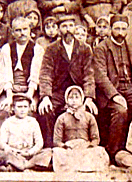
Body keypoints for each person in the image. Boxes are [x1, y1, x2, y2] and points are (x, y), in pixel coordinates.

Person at [38, 15, 97, 148]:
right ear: (59, 30)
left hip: (79, 90)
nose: (68, 30)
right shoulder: (52, 49)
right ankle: (50, 150)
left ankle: (87, 148)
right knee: (46, 110)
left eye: (71, 26)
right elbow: (46, 73)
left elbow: (89, 74)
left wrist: (88, 97)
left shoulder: (85, 48)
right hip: (59, 90)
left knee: (91, 109)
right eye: (64, 27)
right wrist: (46, 96)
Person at [93, 14, 132, 163]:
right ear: (110, 29)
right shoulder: (101, 49)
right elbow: (100, 76)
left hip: (131, 89)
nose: (120, 32)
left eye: (123, 29)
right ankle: (113, 152)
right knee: (121, 110)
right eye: (117, 28)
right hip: (110, 92)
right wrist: (115, 95)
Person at [0, 17, 43, 127]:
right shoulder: (6, 49)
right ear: (12, 32)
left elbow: (35, 74)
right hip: (10, 90)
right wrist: (9, 96)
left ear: (30, 30)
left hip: (30, 90)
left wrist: (29, 95)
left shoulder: (37, 49)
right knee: (4, 110)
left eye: (25, 29)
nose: (22, 33)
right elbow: (6, 73)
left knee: (29, 111)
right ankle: (4, 141)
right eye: (18, 30)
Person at [52, 85, 109, 173]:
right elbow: (56, 140)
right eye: (71, 98)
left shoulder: (89, 117)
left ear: (81, 99)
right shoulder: (61, 118)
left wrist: (88, 145)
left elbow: (96, 139)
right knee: (57, 152)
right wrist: (66, 146)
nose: (74, 100)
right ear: (67, 99)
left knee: (100, 151)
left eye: (77, 97)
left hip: (85, 148)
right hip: (69, 149)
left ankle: (85, 168)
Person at [0, 94, 52, 171]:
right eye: (19, 107)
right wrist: (13, 151)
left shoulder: (33, 122)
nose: (22, 110)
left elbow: (39, 143)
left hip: (29, 154)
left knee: (48, 152)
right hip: (14, 154)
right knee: (3, 154)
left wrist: (30, 152)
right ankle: (29, 166)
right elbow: (2, 143)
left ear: (29, 108)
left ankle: (23, 166)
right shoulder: (7, 123)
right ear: (13, 108)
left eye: (25, 107)